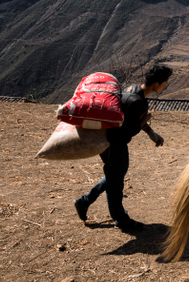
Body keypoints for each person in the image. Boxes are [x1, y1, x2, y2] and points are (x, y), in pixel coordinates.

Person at [74, 64, 172, 232]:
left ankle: (84, 202)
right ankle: (120, 218)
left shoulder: (132, 89)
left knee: (114, 176)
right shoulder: (138, 102)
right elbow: (130, 129)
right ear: (157, 83)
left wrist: (150, 132)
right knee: (116, 183)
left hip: (108, 140)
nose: (165, 86)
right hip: (115, 143)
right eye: (165, 83)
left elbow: (129, 119)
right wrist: (145, 120)